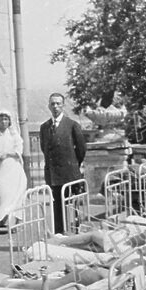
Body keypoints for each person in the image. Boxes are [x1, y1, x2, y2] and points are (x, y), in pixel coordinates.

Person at [39, 93, 86, 234]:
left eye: (58, 103)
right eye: (52, 104)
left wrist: (73, 165)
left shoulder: (72, 125)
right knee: (57, 208)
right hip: (53, 175)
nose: (55, 107)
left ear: (63, 106)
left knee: (74, 207)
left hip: (70, 174)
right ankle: (60, 236)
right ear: (49, 106)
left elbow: (81, 149)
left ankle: (76, 235)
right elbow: (44, 148)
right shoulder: (44, 127)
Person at [0, 110, 27, 235]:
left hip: (11, 168)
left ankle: (10, 223)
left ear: (9, 122)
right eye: (1, 119)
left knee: (10, 195)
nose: (3, 122)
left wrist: (7, 154)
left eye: (6, 119)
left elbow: (19, 149)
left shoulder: (13, 135)